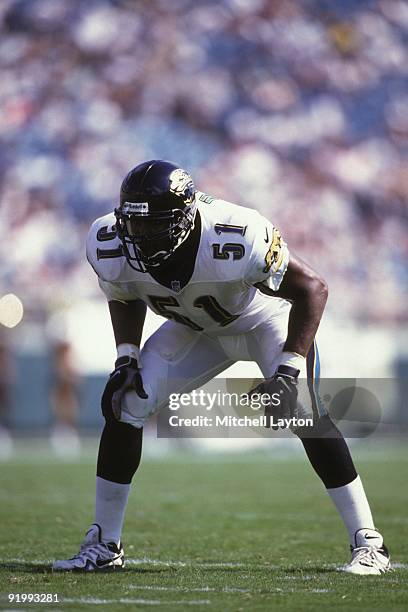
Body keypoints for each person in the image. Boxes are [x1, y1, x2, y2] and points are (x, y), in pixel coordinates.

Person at [53, 160, 390, 574]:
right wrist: (127, 357)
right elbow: (123, 294)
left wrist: (286, 372)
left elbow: (312, 288)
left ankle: (369, 542)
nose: (138, 237)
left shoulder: (237, 234)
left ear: (183, 219)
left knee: (305, 411)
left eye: (152, 225)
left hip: (263, 319)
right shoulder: (107, 241)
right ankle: (105, 543)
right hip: (195, 329)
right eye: (133, 225)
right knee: (128, 402)